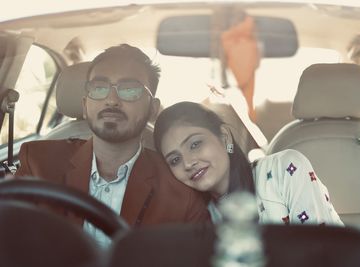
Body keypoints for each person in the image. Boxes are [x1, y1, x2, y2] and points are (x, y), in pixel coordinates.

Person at [15, 45, 210, 246]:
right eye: (99, 88)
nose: (111, 100)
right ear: (85, 104)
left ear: (153, 108)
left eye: (130, 90)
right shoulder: (37, 162)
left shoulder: (181, 193)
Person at [153, 101, 343, 225]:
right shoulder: (199, 217)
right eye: (175, 159)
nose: (188, 163)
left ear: (225, 137)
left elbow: (316, 254)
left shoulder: (284, 170)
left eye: (195, 144)